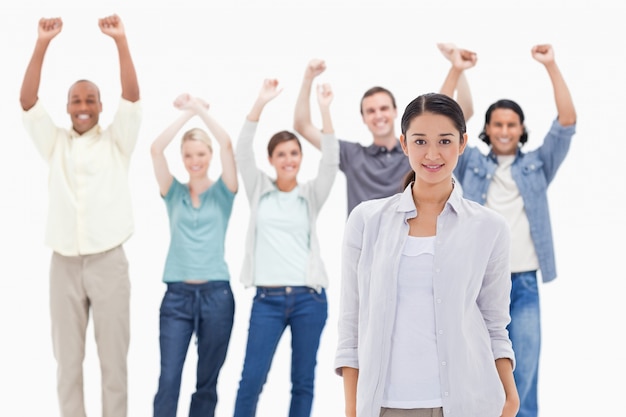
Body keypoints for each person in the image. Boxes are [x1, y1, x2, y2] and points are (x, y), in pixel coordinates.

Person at [335, 92, 519, 417]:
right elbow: (351, 324)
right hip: (385, 406)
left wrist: (510, 398)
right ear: (404, 144)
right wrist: (352, 408)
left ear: (462, 143)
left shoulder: (490, 227)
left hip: (467, 404)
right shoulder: (366, 220)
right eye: (420, 142)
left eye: (445, 141)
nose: (432, 153)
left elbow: (494, 324)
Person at [440, 44, 577, 417]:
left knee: (524, 382)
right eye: (497, 124)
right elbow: (438, 123)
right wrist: (455, 70)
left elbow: (566, 122)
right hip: (478, 285)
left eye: (511, 124)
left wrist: (551, 64)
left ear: (521, 129)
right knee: (475, 380)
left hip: (525, 287)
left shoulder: (537, 165)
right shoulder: (468, 163)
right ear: (485, 129)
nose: (504, 131)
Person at [19, 14, 141, 417]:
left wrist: (120, 41)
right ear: (68, 107)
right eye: (76, 100)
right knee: (67, 366)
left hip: (109, 262)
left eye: (90, 100)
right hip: (64, 266)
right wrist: (42, 44)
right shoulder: (55, 144)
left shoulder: (117, 142)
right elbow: (27, 102)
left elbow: (132, 98)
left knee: (113, 367)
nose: (84, 106)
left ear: (101, 106)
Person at [233, 78, 339, 417]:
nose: (289, 159)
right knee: (251, 380)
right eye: (282, 154)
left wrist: (324, 110)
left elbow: (331, 161)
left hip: (309, 299)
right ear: (271, 159)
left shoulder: (310, 195)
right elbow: (241, 151)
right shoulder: (258, 190)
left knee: (303, 382)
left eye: (294, 153)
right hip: (268, 300)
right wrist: (260, 102)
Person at [293, 54, 473, 215]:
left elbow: (443, 118)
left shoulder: (416, 151)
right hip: (367, 248)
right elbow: (302, 125)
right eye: (371, 111)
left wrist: (456, 69)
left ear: (395, 111)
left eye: (384, 108)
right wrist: (308, 78)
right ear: (363, 118)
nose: (378, 115)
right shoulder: (352, 155)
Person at [150, 93, 238, 417]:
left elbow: (227, 144)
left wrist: (202, 110)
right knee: (169, 378)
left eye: (200, 153)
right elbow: (156, 149)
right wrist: (187, 115)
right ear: (183, 158)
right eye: (188, 155)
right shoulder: (172, 193)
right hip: (177, 298)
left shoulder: (224, 192)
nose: (194, 160)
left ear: (209, 155)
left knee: (206, 382)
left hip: (217, 295)